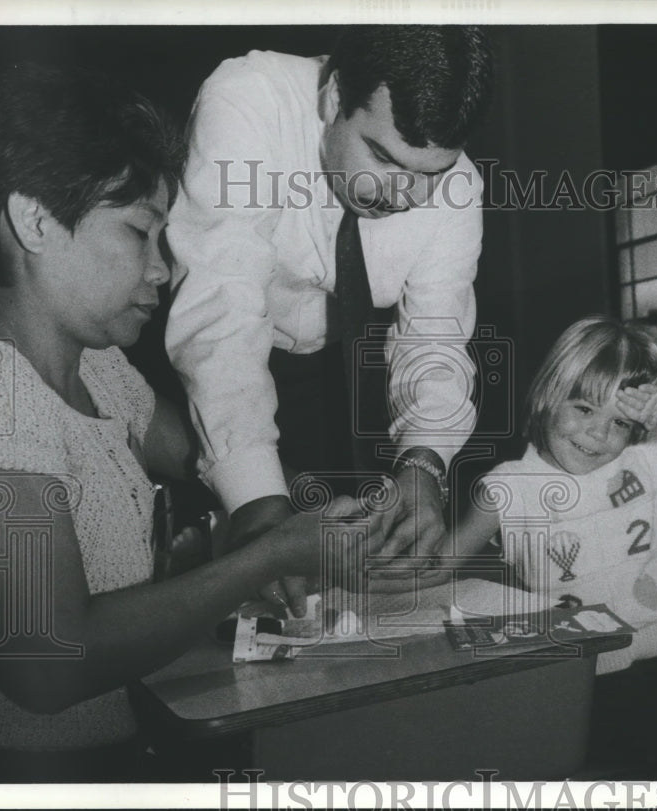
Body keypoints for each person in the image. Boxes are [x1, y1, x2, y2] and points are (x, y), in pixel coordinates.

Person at [0, 63, 372, 783]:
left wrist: (325, 515)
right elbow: (47, 664)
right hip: (17, 778)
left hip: (115, 757)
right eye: (139, 234)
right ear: (33, 219)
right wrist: (266, 556)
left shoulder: (99, 371)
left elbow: (218, 456)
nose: (163, 268)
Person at [164, 25, 495, 616]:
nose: (407, 194)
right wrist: (258, 507)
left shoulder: (458, 189)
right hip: (203, 360)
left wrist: (423, 465)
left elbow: (434, 339)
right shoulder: (248, 98)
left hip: (340, 379)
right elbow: (222, 306)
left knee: (334, 601)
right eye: (384, 157)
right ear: (335, 97)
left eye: (432, 173)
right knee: (209, 580)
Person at [388, 315, 657, 777]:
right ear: (549, 395)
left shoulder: (646, 462)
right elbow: (436, 566)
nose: (599, 435)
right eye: (584, 409)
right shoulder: (508, 489)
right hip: (580, 673)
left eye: (620, 422)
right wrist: (365, 582)